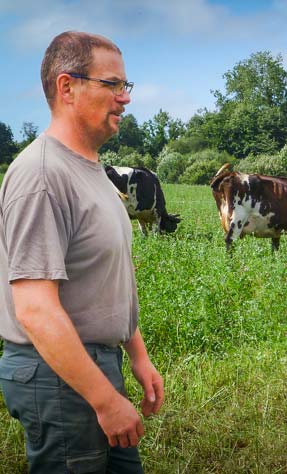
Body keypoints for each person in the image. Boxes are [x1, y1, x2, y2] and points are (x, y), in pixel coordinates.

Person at [0, 31, 163, 473]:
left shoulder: (92, 171)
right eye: (113, 85)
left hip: (91, 366)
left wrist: (137, 356)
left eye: (126, 86)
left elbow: (104, 279)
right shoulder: (41, 175)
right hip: (58, 375)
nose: (125, 98)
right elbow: (34, 309)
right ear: (67, 87)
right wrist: (104, 398)